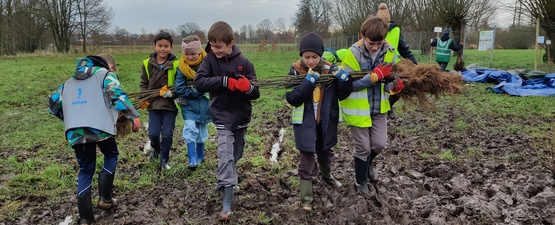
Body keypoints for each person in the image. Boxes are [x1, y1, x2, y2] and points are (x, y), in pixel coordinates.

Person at [48, 54, 141, 225]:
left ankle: (85, 218)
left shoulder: (68, 83)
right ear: (105, 65)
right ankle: (105, 197)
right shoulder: (105, 74)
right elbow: (116, 95)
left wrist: (69, 117)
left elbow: (52, 104)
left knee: (85, 170)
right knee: (111, 154)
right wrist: (133, 115)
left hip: (75, 131)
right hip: (100, 127)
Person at [193, 21, 260, 221]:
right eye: (212, 46)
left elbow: (255, 93)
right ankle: (227, 202)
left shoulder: (245, 63)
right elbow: (199, 83)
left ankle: (226, 177)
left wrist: (246, 86)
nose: (214, 50)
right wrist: (225, 81)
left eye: (218, 47)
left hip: (241, 116)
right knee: (225, 154)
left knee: (235, 153)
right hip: (221, 115)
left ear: (231, 43)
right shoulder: (209, 61)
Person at [286, 32, 353, 211]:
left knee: (325, 152)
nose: (310, 61)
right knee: (307, 157)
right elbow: (292, 98)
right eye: (307, 57)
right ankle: (306, 197)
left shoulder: (330, 70)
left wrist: (345, 81)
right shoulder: (295, 71)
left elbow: (342, 94)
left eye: (314, 57)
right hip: (305, 124)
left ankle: (327, 176)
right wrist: (307, 83)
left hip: (325, 122)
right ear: (301, 55)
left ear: (320, 55)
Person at [340, 16, 405, 193]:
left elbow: (387, 86)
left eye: (379, 42)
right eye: (371, 43)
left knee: (379, 144)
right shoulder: (352, 54)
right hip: (357, 109)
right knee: (363, 148)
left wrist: (394, 88)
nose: (375, 47)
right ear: (362, 35)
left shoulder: (390, 52)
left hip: (378, 107)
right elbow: (346, 87)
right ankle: (360, 181)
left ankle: (368, 164)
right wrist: (372, 78)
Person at [139, 31, 179, 170]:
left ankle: (164, 160)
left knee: (167, 134)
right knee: (154, 134)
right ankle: (156, 150)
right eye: (160, 45)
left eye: (166, 46)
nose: (163, 49)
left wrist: (171, 93)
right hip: (153, 104)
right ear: (155, 46)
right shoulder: (147, 63)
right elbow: (144, 83)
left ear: (171, 48)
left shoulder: (176, 64)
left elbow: (179, 85)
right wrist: (145, 97)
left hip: (170, 105)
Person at [174, 35, 211, 169]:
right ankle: (192, 158)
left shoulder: (208, 64)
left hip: (205, 105)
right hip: (188, 105)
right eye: (187, 54)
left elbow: (211, 82)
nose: (190, 57)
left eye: (193, 54)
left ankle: (200, 155)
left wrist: (201, 89)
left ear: (199, 51)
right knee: (189, 128)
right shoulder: (181, 67)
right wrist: (196, 92)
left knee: (201, 131)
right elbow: (179, 88)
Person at [375, 2, 417, 119]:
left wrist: (416, 67)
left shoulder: (396, 31)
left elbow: (405, 50)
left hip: (392, 66)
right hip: (375, 66)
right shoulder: (372, 30)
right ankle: (377, 111)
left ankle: (389, 106)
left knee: (398, 88)